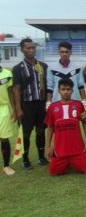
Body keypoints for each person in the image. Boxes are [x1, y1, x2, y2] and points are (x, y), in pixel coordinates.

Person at [12, 38, 48, 169]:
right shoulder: (18, 68)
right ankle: (25, 160)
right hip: (26, 105)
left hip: (40, 104)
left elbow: (47, 85)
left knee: (40, 130)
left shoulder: (43, 66)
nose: (31, 50)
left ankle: (41, 157)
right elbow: (16, 89)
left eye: (33, 47)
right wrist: (18, 108)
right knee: (25, 133)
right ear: (22, 49)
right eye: (28, 48)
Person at [44, 79, 86, 175]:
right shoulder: (52, 107)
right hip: (60, 150)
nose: (66, 92)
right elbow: (50, 128)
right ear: (59, 90)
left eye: (68, 89)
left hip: (77, 149)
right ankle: (66, 163)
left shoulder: (78, 105)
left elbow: (85, 124)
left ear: (72, 91)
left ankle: (72, 161)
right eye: (63, 89)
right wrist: (48, 146)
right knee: (53, 173)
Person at [46, 41, 86, 106]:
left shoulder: (77, 67)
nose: (64, 54)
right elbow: (50, 87)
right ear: (59, 52)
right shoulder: (51, 68)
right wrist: (48, 101)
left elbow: (80, 85)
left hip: (74, 101)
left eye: (66, 52)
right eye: (62, 52)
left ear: (70, 52)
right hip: (57, 102)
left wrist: (84, 100)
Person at [0, 65, 16, 175]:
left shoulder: (7, 74)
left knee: (4, 137)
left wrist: (14, 109)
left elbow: (11, 92)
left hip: (3, 109)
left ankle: (6, 166)